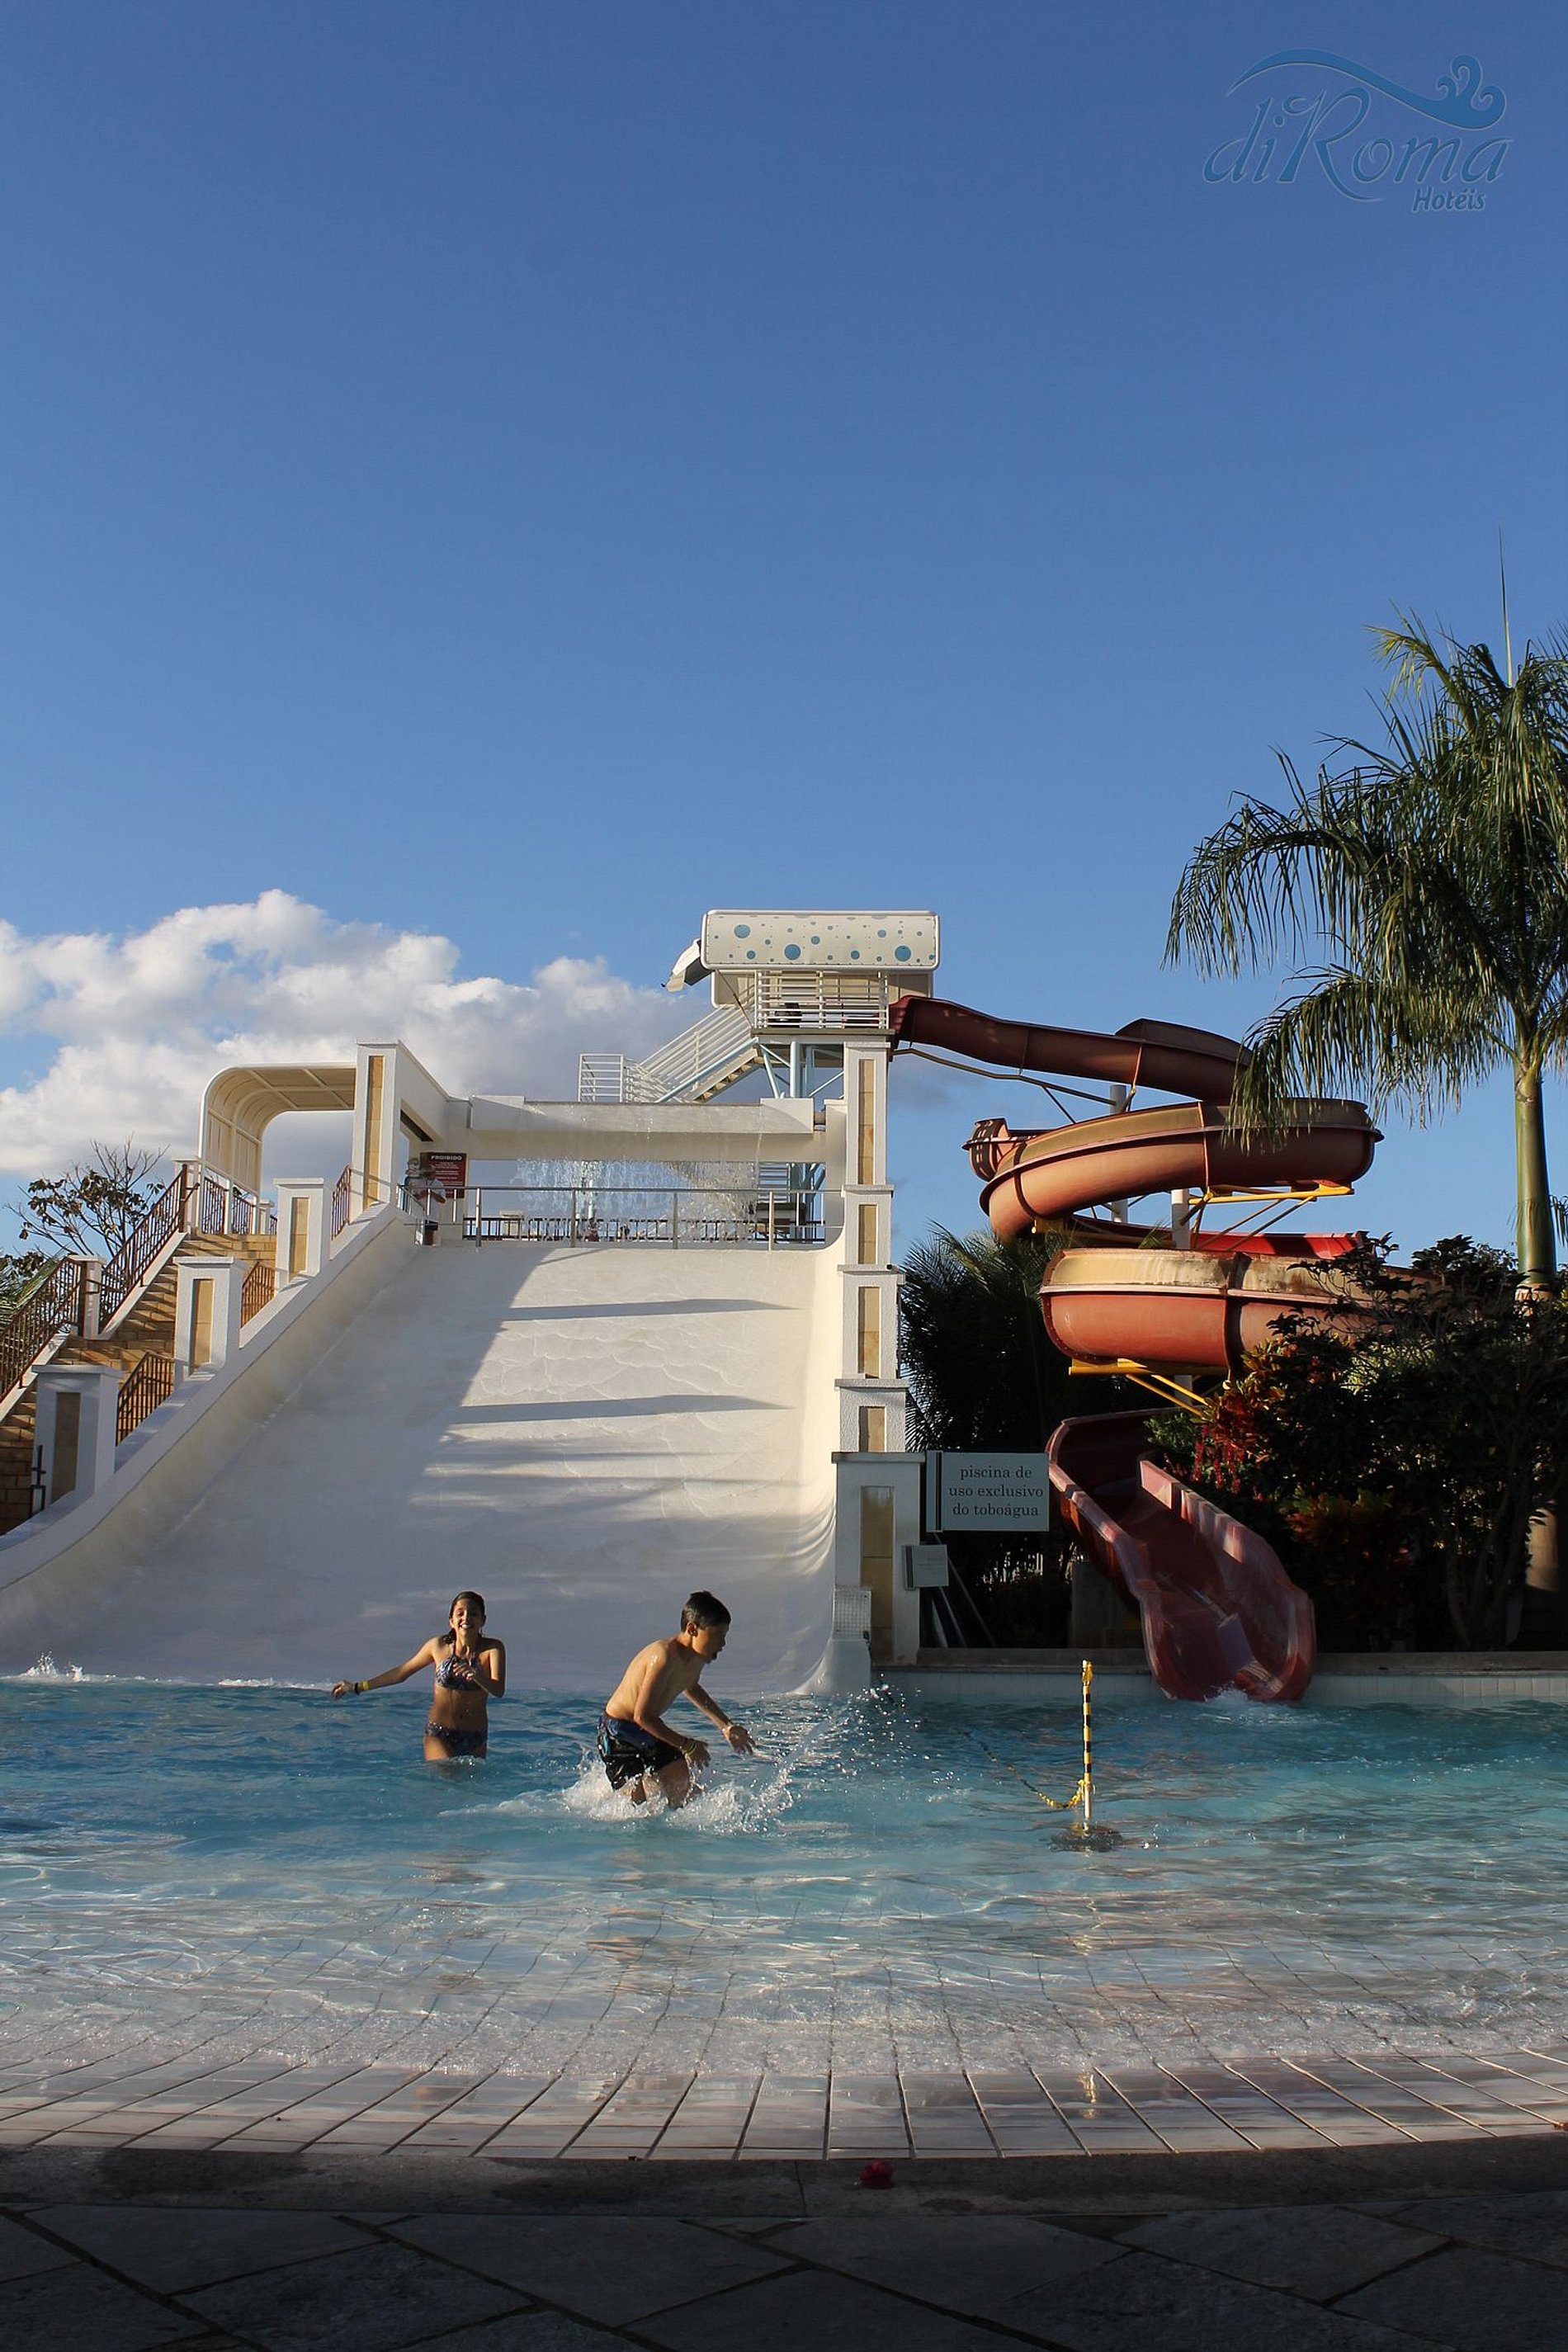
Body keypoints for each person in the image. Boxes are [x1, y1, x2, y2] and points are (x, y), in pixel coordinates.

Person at [597, 1589, 755, 1807]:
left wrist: (726, 1726)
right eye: (718, 1634)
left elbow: (690, 1687)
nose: (723, 1643)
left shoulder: (695, 1658)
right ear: (692, 1629)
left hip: (644, 1730)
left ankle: (656, 1788)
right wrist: (687, 1746)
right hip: (618, 1731)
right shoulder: (663, 1656)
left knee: (682, 1789)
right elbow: (642, 1716)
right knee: (633, 1808)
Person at [332, 1589, 504, 1761]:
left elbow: (498, 1690)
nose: (466, 1618)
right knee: (447, 1772)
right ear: (451, 1621)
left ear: (483, 1620)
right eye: (460, 1613)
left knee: (471, 1779)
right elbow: (401, 1673)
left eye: (473, 1614)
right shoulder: (437, 1646)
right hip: (439, 1733)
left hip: (475, 1736)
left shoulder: (493, 1649)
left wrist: (477, 1676)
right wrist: (357, 1687)